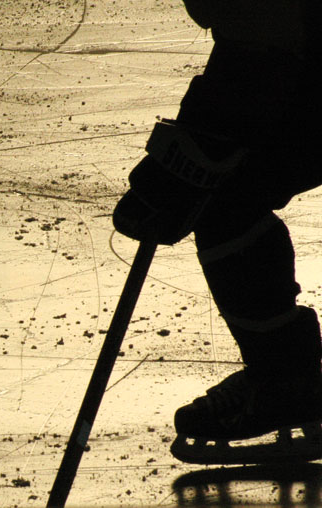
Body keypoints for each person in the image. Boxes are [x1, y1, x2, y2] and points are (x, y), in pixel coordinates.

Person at [113, 1, 322, 463]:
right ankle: (284, 376)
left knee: (226, 201)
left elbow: (268, 27)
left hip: (289, 57)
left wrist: (210, 132)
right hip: (280, 55)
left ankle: (285, 381)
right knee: (226, 196)